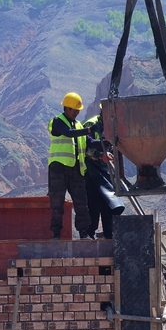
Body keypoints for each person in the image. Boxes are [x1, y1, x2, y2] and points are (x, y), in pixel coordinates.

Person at [48, 92, 92, 240]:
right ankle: (56, 233)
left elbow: (89, 142)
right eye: (75, 110)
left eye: (78, 110)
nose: (77, 113)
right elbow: (68, 133)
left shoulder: (78, 125)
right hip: (58, 168)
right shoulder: (57, 122)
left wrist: (106, 142)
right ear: (67, 108)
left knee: (81, 202)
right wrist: (89, 130)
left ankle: (84, 232)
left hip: (76, 169)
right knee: (57, 202)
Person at [81, 112, 125, 239]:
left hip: (107, 171)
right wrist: (100, 156)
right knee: (93, 204)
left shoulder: (114, 126)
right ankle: (89, 234)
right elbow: (85, 148)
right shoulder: (90, 124)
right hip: (91, 170)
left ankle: (109, 235)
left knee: (109, 203)